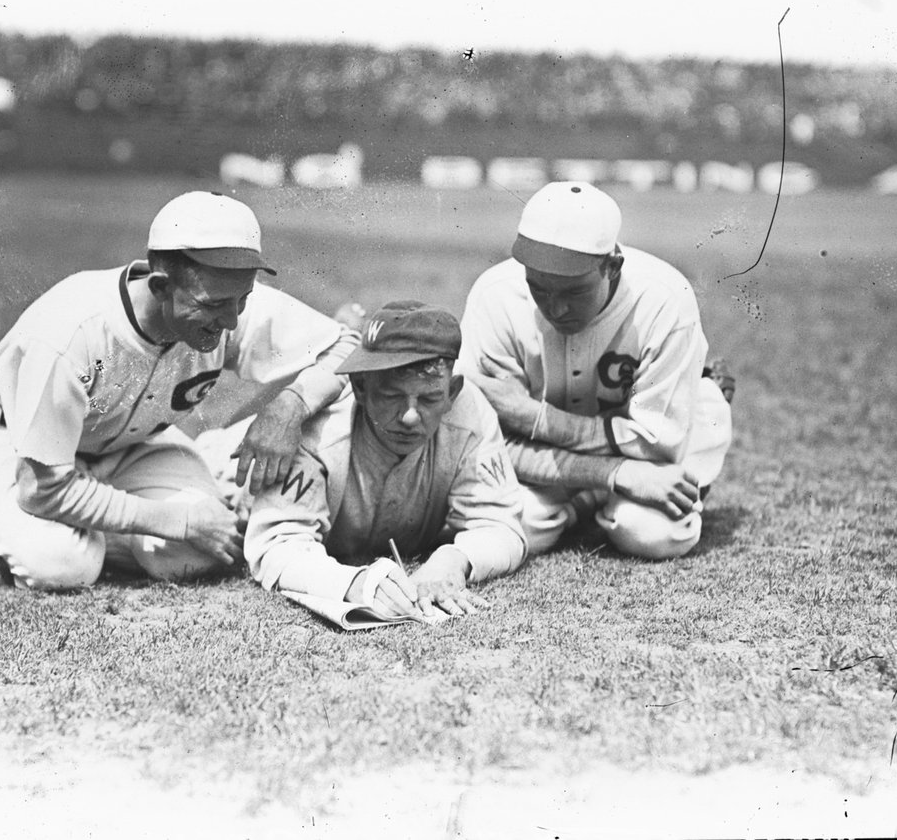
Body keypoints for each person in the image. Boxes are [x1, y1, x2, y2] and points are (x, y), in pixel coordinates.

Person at [0, 191, 359, 590]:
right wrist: (178, 520)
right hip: (20, 450)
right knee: (62, 565)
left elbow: (348, 346)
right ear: (161, 285)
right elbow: (45, 488)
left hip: (130, 446)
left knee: (195, 556)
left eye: (243, 300)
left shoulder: (222, 297)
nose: (232, 321)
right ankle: (8, 523)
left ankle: (66, 529)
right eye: (215, 304)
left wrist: (291, 405)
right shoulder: (70, 333)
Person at [459, 182, 733, 561]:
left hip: (653, 448)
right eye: (539, 288)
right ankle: (589, 504)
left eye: (573, 292)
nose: (555, 309)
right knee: (510, 524)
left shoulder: (664, 299)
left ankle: (699, 400)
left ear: (612, 266)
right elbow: (488, 443)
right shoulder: (495, 296)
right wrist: (615, 475)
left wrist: (533, 417)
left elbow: (655, 444)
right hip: (568, 456)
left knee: (650, 533)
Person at [245, 301, 527, 618]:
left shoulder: (469, 410)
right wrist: (353, 582)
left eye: (429, 398)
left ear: (452, 392)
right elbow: (276, 544)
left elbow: (501, 524)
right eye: (392, 396)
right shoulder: (320, 430)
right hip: (224, 484)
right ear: (361, 387)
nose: (409, 416)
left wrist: (453, 559)